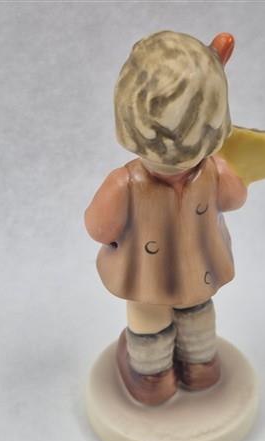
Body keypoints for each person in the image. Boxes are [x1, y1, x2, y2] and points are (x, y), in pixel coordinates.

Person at [85, 31, 247, 406]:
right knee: (196, 311)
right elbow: (235, 198)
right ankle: (201, 364)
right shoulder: (215, 171)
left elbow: (99, 227)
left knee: (149, 320)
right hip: (198, 270)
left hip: (146, 276)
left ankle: (152, 377)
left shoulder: (123, 184)